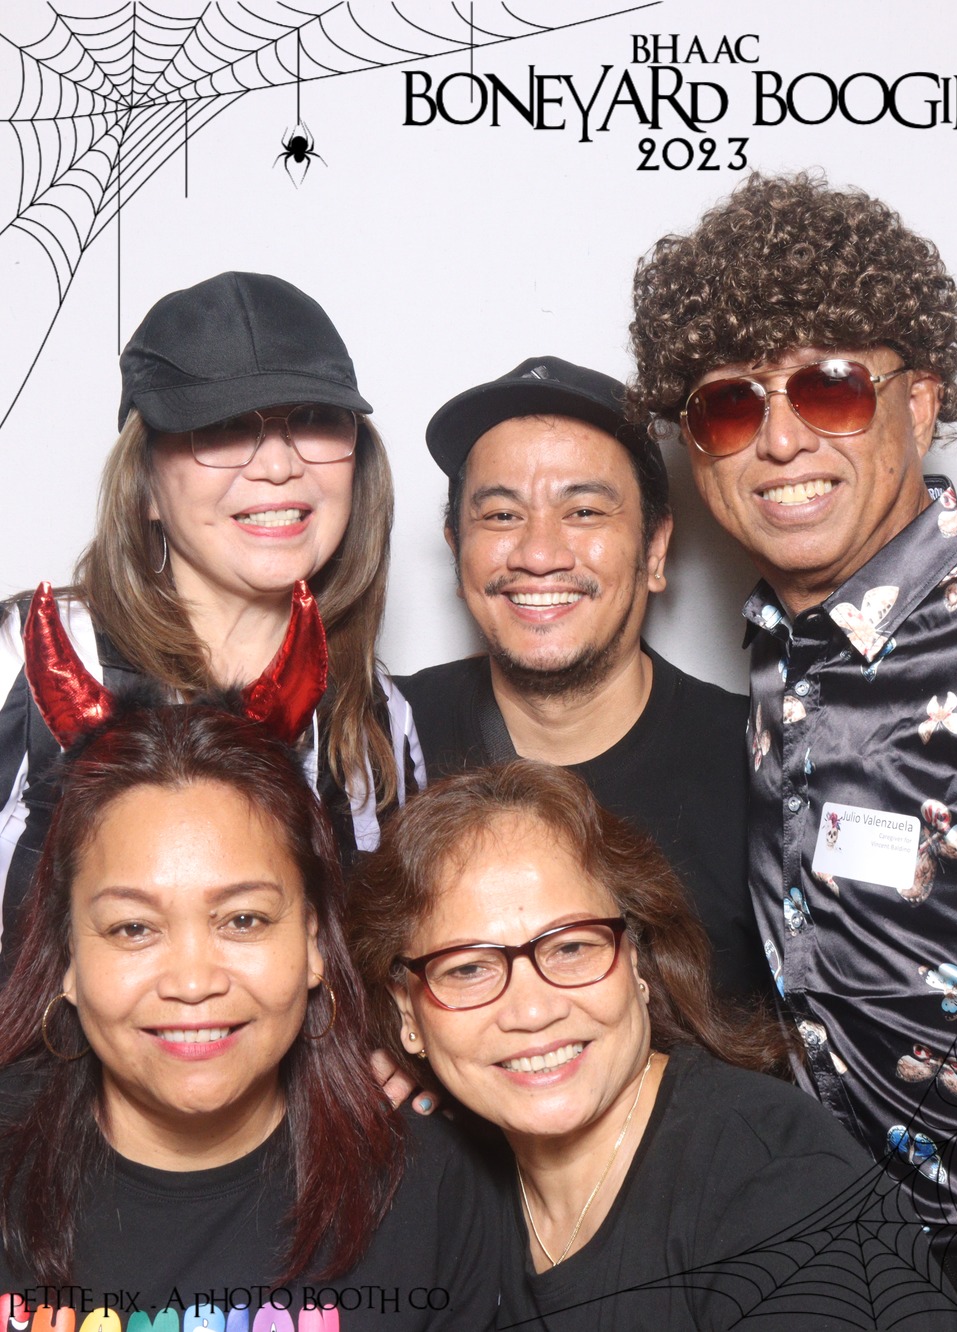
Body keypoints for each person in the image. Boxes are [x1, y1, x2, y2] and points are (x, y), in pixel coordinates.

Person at [629, 171, 957, 1304]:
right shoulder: (774, 661)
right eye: (730, 408)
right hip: (847, 1264)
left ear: (919, 405)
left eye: (830, 389)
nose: (781, 442)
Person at [0, 600, 498, 1323]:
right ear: (68, 955)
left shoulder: (432, 1193)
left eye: (243, 920)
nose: (193, 982)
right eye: (134, 928)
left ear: (315, 944)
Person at [349, 761, 957, 1331]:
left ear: (637, 961)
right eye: (468, 969)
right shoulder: (442, 1190)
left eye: (572, 947)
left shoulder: (779, 1185)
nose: (533, 1011)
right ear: (407, 1012)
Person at [0, 271, 421, 971]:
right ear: (145, 488)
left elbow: (387, 975)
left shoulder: (379, 717)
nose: (279, 465)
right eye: (222, 428)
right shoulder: (24, 659)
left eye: (313, 420)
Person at [394, 357, 768, 1006]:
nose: (539, 554)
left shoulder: (764, 765)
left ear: (655, 549)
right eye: (501, 516)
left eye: (585, 511)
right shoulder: (378, 742)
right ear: (457, 551)